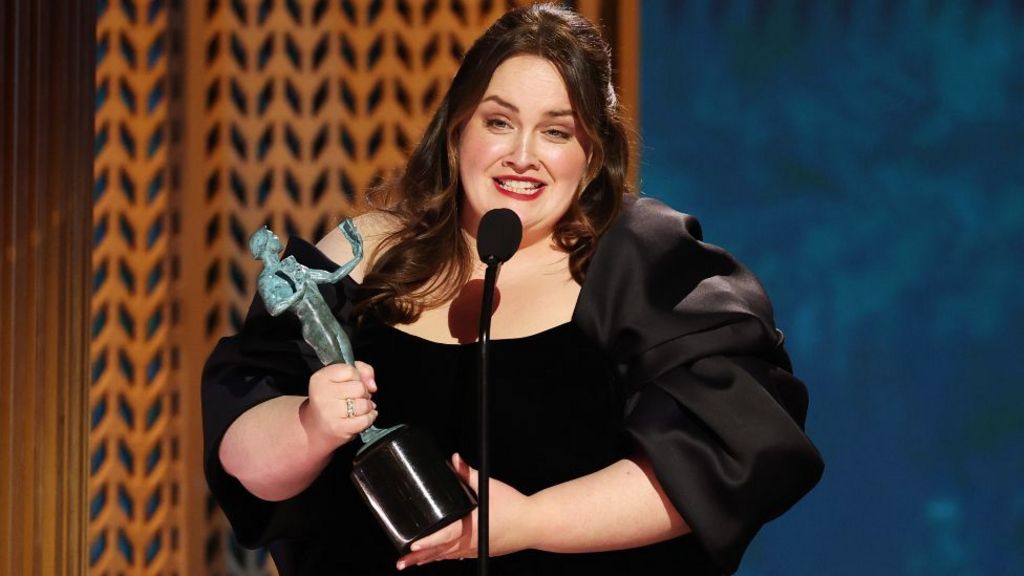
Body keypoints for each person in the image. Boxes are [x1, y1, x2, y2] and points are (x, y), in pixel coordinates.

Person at [202, 4, 824, 575]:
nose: (522, 155)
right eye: (499, 121)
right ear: (456, 131)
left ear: (592, 152)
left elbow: (724, 463)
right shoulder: (360, 256)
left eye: (556, 131)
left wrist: (529, 521)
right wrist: (312, 426)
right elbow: (245, 458)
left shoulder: (644, 264)